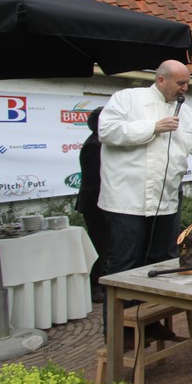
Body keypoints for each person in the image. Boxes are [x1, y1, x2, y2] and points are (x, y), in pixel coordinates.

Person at [98, 61, 192, 340]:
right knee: (126, 264)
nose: (185, 88)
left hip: (165, 200)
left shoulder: (188, 115)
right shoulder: (126, 99)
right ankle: (119, 334)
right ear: (160, 80)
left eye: (187, 83)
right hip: (126, 200)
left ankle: (153, 323)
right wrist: (153, 127)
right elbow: (106, 131)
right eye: (180, 83)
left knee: (161, 262)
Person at [76, 106, 107, 303]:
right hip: (95, 205)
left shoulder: (102, 143)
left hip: (102, 203)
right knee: (99, 245)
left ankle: (100, 282)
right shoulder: (93, 146)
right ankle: (94, 286)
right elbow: (94, 180)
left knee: (106, 245)